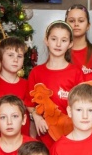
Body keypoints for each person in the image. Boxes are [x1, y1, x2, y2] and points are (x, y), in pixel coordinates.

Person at [27, 20, 85, 148]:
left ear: (70, 44)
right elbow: (29, 104)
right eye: (54, 39)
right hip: (44, 138)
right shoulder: (36, 72)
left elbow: (83, 106)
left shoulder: (76, 73)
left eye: (63, 40)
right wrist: (36, 116)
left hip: (70, 137)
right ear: (46, 40)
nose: (58, 44)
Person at [0, 37, 31, 136]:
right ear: (0, 57)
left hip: (24, 140)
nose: (15, 60)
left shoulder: (27, 85)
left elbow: (31, 118)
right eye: (10, 55)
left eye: (20, 56)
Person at [65, 4, 92, 74]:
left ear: (88, 25)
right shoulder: (59, 52)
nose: (76, 24)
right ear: (65, 25)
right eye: (72, 21)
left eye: (81, 21)